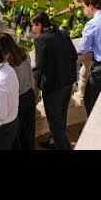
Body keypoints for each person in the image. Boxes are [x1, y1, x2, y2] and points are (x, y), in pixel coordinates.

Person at [31, 12, 78, 150]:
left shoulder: (41, 40)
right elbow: (74, 55)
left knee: (54, 121)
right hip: (67, 82)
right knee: (61, 116)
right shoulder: (62, 33)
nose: (32, 29)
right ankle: (54, 142)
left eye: (33, 26)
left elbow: (39, 66)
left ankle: (63, 147)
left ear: (39, 25)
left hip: (53, 87)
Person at [0, 33, 35, 151]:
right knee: (29, 131)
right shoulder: (24, 53)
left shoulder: (7, 66)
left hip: (18, 101)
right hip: (29, 95)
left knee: (17, 137)